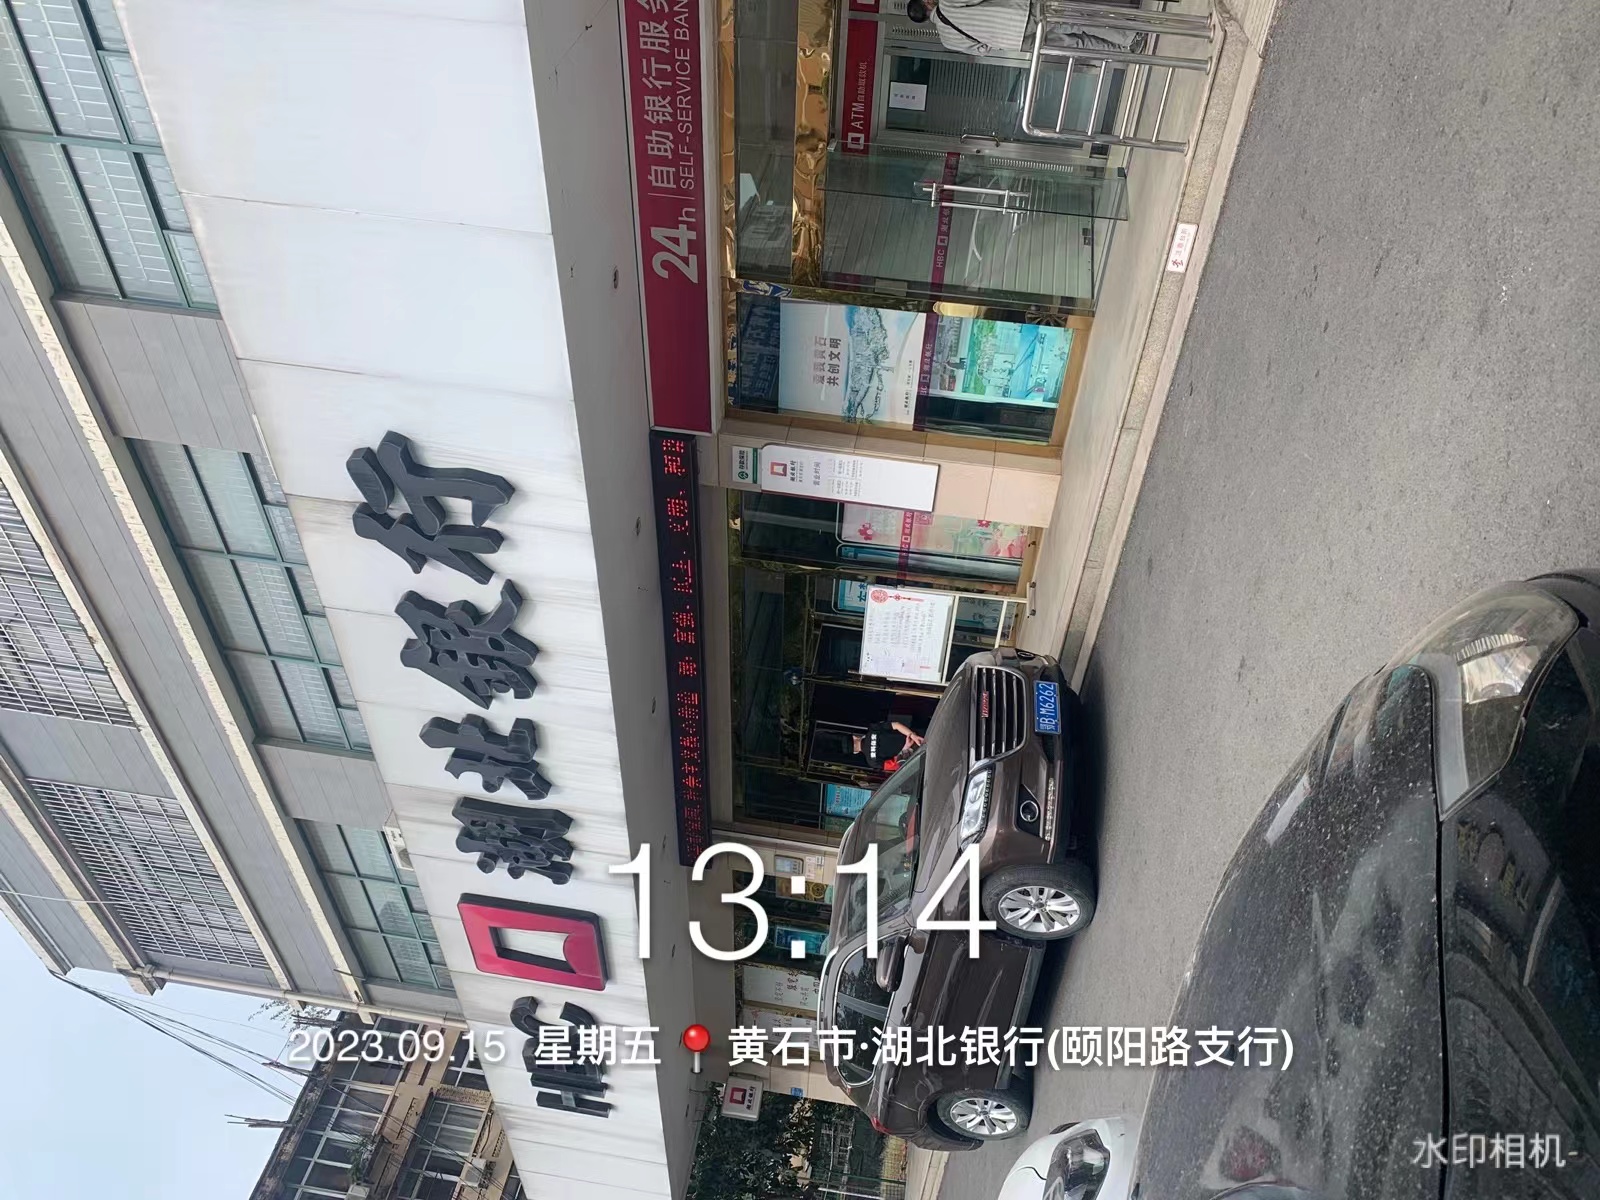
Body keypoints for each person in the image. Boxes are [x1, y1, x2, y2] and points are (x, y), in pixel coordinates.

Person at [906, 0, 1142, 58]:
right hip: (1019, 14)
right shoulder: (947, 3)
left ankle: (1123, 51)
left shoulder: (946, 40)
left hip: (1014, 42)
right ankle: (1129, 38)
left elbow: (982, 50)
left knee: (1074, 43)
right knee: (1076, 20)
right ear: (927, 3)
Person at [851, 716, 926, 774]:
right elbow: (896, 725)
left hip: (916, 755)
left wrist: (905, 748)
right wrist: (912, 736)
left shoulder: (872, 762)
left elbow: (897, 765)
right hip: (920, 736)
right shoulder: (873, 729)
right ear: (855, 737)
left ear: (855, 752)